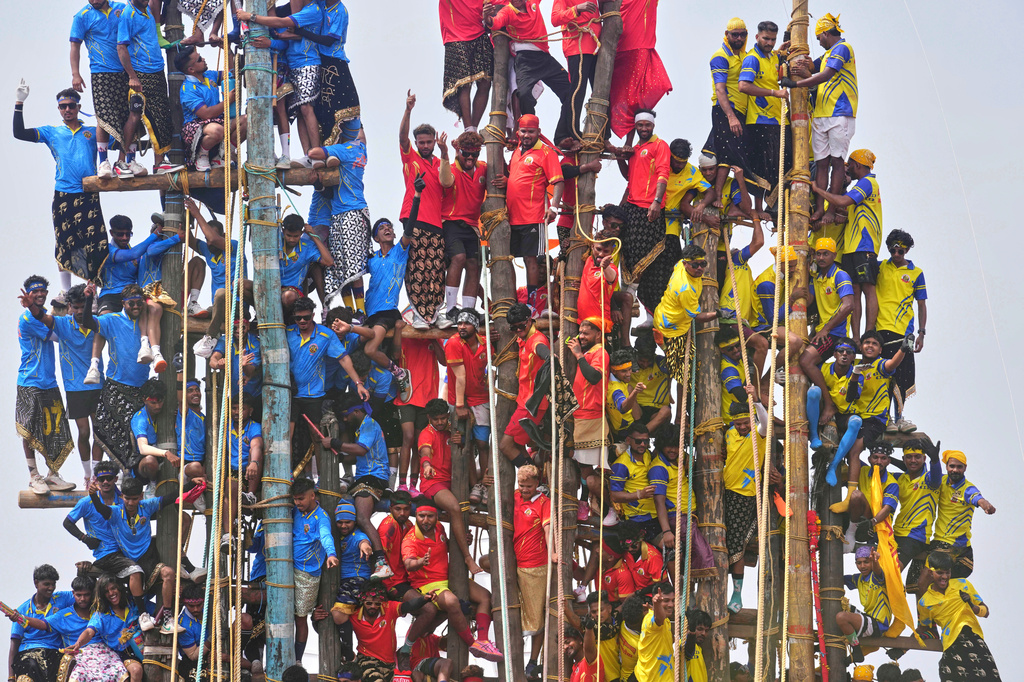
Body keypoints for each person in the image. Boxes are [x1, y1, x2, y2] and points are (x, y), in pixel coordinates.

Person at [13, 84, 108, 285]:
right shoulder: (52, 132)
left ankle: (93, 290)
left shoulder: (92, 132)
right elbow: (19, 133)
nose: (67, 110)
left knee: (93, 243)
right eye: (63, 106)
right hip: (64, 193)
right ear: (58, 109)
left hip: (88, 191)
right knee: (64, 242)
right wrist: (19, 103)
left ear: (78, 107)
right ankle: (66, 290)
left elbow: (123, 140)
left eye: (71, 106)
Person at [89, 475, 199, 634]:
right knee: (134, 572)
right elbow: (101, 509)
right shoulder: (114, 512)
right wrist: (93, 495)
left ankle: (168, 618)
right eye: (127, 499)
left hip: (149, 558)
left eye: (134, 499)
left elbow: (170, 497)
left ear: (141, 496)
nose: (131, 503)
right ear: (122, 497)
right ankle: (143, 615)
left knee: (168, 573)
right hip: (129, 561)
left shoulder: (147, 506)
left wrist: (190, 484)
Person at [401, 500, 503, 661]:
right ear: (416, 516)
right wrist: (420, 562)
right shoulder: (410, 539)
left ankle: (483, 639)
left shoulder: (439, 528)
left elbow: (446, 545)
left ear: (436, 517)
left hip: (448, 578)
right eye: (421, 516)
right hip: (427, 584)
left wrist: (464, 540)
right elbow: (408, 564)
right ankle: (473, 644)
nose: (425, 520)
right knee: (452, 602)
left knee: (485, 596)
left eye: (430, 516)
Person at [786, 13, 858, 225]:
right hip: (820, 114)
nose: (818, 42)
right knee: (821, 163)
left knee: (837, 162)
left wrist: (797, 84)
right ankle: (819, 208)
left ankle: (831, 208)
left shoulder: (843, 49)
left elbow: (824, 75)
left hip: (840, 113)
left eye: (819, 38)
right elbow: (811, 69)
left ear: (826, 33)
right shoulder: (827, 54)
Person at [827, 332, 911, 514]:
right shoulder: (854, 365)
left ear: (880, 349)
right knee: (840, 445)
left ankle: (850, 497)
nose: (870, 346)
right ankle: (840, 473)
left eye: (874, 343)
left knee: (855, 450)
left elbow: (892, 363)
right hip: (854, 415)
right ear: (861, 347)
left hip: (874, 419)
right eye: (867, 343)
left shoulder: (879, 364)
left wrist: (903, 349)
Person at [491, 115, 564, 310]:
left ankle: (533, 304)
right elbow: (518, 178)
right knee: (508, 257)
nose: (527, 135)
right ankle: (512, 300)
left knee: (532, 259)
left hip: (534, 216)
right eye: (523, 131)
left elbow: (558, 181)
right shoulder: (516, 153)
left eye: (531, 131)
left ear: (538, 132)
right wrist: (508, 182)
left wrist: (554, 207)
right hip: (511, 217)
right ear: (518, 132)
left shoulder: (546, 153)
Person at [236, 0, 324, 163]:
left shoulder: (301, 12)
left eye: (270, 7)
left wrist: (270, 41)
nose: (270, 11)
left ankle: (289, 153)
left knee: (288, 108)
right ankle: (272, 151)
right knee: (265, 109)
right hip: (261, 69)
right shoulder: (256, 20)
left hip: (283, 67)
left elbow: (283, 35)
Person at [811, 150, 882, 340]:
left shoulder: (868, 182)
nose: (848, 169)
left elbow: (843, 200)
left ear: (858, 165)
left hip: (864, 244)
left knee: (867, 289)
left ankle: (868, 333)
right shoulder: (861, 184)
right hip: (852, 247)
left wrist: (819, 190)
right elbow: (844, 209)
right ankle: (857, 337)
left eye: (850, 165)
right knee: (856, 292)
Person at [325, 396, 398, 580]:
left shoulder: (369, 425)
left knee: (362, 518)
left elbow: (361, 450)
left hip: (374, 477)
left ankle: (381, 563)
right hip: (365, 477)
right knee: (346, 514)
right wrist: (337, 456)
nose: (345, 419)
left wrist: (334, 443)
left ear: (357, 411)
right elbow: (355, 457)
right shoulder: (361, 427)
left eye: (347, 415)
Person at [16, 275, 76, 494]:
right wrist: (67, 320)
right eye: (35, 292)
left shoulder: (41, 315)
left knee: (55, 428)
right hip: (30, 380)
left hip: (49, 381)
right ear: (28, 294)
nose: (40, 294)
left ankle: (52, 475)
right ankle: (34, 476)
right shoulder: (28, 319)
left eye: (43, 291)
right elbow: (58, 336)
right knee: (29, 430)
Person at [485, 0, 574, 145]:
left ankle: (562, 136)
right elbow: (495, 22)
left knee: (571, 91)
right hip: (525, 59)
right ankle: (530, 134)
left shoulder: (533, 2)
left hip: (544, 57)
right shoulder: (507, 11)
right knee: (524, 95)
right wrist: (487, 18)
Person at [615, 109, 675, 314]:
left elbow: (662, 174)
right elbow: (628, 178)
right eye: (639, 125)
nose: (643, 129)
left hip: (649, 207)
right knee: (629, 252)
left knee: (645, 255)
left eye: (646, 125)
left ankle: (632, 293)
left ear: (653, 126)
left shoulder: (660, 145)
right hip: (632, 206)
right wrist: (619, 157)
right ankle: (628, 292)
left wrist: (657, 201)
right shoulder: (635, 149)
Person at [89, 284, 154, 470]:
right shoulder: (111, 319)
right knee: (104, 429)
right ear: (123, 303)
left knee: (134, 436)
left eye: (139, 302)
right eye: (131, 303)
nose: (135, 306)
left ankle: (129, 478)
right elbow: (89, 322)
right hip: (115, 385)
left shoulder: (148, 321)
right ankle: (101, 474)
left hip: (139, 390)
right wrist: (88, 300)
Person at [725, 387, 777, 613]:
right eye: (739, 424)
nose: (743, 427)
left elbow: (766, 423)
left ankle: (737, 594)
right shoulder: (728, 434)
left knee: (737, 544)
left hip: (745, 497)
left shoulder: (758, 433)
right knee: (720, 542)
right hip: (724, 493)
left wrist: (756, 401)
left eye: (746, 422)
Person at [307, 130, 371, 312]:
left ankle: (360, 311)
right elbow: (362, 135)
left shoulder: (345, 149)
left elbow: (312, 153)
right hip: (341, 213)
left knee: (352, 265)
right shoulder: (361, 148)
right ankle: (351, 310)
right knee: (340, 266)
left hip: (351, 211)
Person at [46, 284, 104, 485]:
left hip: (97, 384)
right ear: (69, 306)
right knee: (84, 432)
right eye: (76, 307)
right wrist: (33, 308)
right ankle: (87, 474)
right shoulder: (62, 324)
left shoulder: (97, 323)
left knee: (99, 432)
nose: (79, 312)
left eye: (83, 307)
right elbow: (42, 319)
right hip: (75, 387)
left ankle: (97, 475)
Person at [415, 398, 480, 574]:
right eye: (436, 419)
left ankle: (479, 488)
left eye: (443, 418)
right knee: (454, 507)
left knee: (483, 473)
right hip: (433, 483)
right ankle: (468, 558)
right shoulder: (426, 433)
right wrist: (427, 465)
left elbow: (466, 454)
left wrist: (460, 442)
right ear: (429, 418)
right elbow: (425, 453)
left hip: (454, 481)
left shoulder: (453, 430)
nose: (440, 422)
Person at [116, 0, 180, 176]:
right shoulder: (128, 14)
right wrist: (132, 76)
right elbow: (121, 47)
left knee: (161, 115)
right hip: (140, 73)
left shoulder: (149, 11)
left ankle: (159, 163)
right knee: (135, 114)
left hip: (156, 70)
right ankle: (121, 161)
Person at [398, 92, 446, 328]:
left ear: (435, 141)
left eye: (429, 142)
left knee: (435, 271)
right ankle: (416, 313)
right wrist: (408, 110)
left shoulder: (440, 164)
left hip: (437, 224)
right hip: (413, 219)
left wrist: (447, 152)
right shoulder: (411, 157)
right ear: (416, 143)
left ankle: (435, 315)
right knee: (416, 267)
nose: (425, 145)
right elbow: (402, 136)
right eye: (421, 142)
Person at [69, 0, 129, 181]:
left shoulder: (122, 9)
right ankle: (104, 162)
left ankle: (124, 160)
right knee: (103, 116)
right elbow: (75, 46)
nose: (94, 1)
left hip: (127, 70)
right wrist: (75, 74)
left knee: (129, 115)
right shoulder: (82, 16)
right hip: (101, 71)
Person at [916, 551, 1000, 681]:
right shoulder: (925, 602)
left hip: (973, 638)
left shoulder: (963, 584)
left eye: (947, 572)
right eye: (940, 573)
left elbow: (985, 612)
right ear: (930, 573)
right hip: (952, 643)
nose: (944, 576)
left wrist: (972, 606)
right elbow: (924, 627)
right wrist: (902, 649)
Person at [328, 581, 433, 682]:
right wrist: (315, 619)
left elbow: (408, 606)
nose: (373, 606)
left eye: (377, 603)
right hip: (367, 659)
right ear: (362, 601)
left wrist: (424, 599)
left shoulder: (389, 608)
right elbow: (332, 625)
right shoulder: (354, 615)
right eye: (369, 603)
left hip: (390, 663)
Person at [648, 423, 716, 577]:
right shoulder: (658, 468)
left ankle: (691, 584)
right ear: (660, 446)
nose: (673, 451)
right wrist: (666, 531)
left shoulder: (680, 459)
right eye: (668, 447)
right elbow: (659, 502)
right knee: (701, 549)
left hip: (690, 513)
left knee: (697, 548)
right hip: (675, 516)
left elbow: (689, 460)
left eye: (676, 447)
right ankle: (700, 579)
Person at [875, 229, 926, 432]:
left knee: (903, 375)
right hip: (880, 328)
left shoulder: (916, 273)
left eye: (901, 251)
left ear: (906, 251)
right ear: (889, 249)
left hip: (906, 331)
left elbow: (921, 305)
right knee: (883, 374)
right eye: (893, 250)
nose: (896, 255)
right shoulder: (879, 267)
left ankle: (900, 418)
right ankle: (885, 418)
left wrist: (922, 333)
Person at [737, 20, 788, 212]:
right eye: (766, 38)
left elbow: (776, 60)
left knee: (779, 164)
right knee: (762, 167)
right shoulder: (752, 58)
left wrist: (780, 51)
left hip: (776, 118)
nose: (769, 43)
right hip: (759, 119)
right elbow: (743, 86)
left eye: (773, 39)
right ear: (757, 37)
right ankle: (759, 208)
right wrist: (775, 93)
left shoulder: (772, 56)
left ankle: (773, 206)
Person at [653, 243, 721, 381]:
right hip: (673, 328)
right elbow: (698, 317)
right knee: (684, 375)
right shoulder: (686, 289)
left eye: (703, 264)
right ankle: (666, 352)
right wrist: (718, 314)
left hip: (664, 312)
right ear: (685, 264)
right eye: (695, 265)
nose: (700, 268)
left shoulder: (679, 265)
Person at [439, 131, 487, 320]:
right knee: (458, 258)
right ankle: (451, 308)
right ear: (458, 151)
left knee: (474, 264)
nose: (470, 158)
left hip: (473, 226)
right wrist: (445, 153)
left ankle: (468, 310)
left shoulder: (483, 168)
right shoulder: (451, 168)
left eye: (474, 154)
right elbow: (444, 181)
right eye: (465, 153)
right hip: (451, 222)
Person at [289, 477, 339, 662]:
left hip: (307, 574)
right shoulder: (295, 510)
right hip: (286, 567)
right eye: (295, 499)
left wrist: (331, 554)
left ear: (312, 496)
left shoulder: (321, 517)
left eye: (301, 499)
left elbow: (326, 536)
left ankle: (298, 660)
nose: (297, 502)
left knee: (300, 617)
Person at [175, 45, 247, 171]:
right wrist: (228, 101)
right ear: (191, 69)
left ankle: (224, 154)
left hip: (217, 121)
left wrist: (227, 49)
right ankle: (202, 155)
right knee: (216, 130)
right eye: (199, 60)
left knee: (247, 120)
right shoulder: (188, 90)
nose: (203, 59)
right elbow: (206, 114)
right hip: (198, 126)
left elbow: (231, 74)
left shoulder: (209, 75)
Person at [362, 216, 412, 394]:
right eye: (382, 228)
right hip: (370, 313)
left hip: (387, 311)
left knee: (370, 349)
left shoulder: (399, 251)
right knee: (385, 355)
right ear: (376, 238)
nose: (387, 228)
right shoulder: (371, 258)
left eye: (389, 226)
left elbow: (409, 229)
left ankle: (399, 374)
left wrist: (417, 197)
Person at [608, 0, 672, 138]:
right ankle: (604, 138)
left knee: (636, 97)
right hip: (618, 44)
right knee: (612, 96)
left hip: (641, 45)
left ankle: (628, 143)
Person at [445, 308, 490, 495]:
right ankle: (475, 485)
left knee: (482, 443)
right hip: (459, 400)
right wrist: (460, 405)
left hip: (481, 399)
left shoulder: (486, 343)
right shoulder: (454, 343)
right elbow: (460, 376)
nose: (462, 326)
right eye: (460, 323)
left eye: (467, 323)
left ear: (476, 326)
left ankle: (487, 483)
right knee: (466, 444)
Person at [499, 303, 551, 467]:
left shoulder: (536, 340)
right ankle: (534, 478)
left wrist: (549, 357)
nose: (518, 332)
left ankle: (530, 479)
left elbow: (542, 350)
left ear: (530, 321)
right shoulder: (524, 338)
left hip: (531, 405)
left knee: (506, 446)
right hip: (525, 402)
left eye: (521, 327)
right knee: (518, 446)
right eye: (513, 329)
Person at [704, 18, 750, 202]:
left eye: (742, 34)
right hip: (725, 110)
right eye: (735, 35)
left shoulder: (744, 55)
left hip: (741, 111)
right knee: (725, 153)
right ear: (727, 35)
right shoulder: (720, 56)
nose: (738, 38)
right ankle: (717, 194)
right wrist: (730, 116)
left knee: (735, 153)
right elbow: (720, 89)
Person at [63, 575, 141, 682]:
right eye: (106, 591)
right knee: (136, 670)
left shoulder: (133, 604)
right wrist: (78, 643)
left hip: (144, 645)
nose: (111, 593)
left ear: (119, 587)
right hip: (124, 653)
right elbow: (89, 632)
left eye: (113, 588)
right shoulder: (100, 615)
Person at [932, 450, 995, 579]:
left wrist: (986, 505)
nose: (955, 470)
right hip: (939, 541)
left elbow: (978, 498)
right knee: (920, 579)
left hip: (959, 548)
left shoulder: (967, 488)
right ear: (946, 467)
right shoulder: (941, 481)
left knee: (943, 582)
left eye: (959, 467)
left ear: (965, 468)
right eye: (952, 466)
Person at [6, 565, 75, 682]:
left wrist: (83, 573)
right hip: (28, 654)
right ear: (36, 583)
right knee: (31, 667)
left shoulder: (61, 599)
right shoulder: (22, 610)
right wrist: (11, 677)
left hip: (54, 652)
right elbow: (14, 645)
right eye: (47, 584)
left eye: (53, 584)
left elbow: (83, 593)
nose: (51, 588)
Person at [568, 318, 610, 510]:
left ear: (599, 335)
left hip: (591, 415)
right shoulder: (590, 352)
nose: (582, 336)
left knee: (587, 468)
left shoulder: (599, 352)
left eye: (586, 333)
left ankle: (589, 502)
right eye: (581, 332)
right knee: (583, 466)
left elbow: (594, 377)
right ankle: (587, 501)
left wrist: (578, 355)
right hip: (582, 414)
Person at [514, 465, 552, 665]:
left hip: (535, 566)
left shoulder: (544, 503)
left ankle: (532, 661)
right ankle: (515, 661)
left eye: (528, 486)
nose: (524, 489)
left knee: (538, 616)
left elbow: (547, 529)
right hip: (514, 563)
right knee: (514, 612)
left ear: (537, 484)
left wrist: (552, 552)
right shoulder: (513, 496)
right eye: (521, 485)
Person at [551, 0, 602, 143]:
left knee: (602, 92)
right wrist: (577, 9)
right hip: (577, 45)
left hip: (598, 46)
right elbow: (555, 19)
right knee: (577, 91)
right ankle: (569, 134)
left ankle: (604, 135)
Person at [438, 0, 492, 131]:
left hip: (479, 32)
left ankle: (473, 127)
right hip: (456, 36)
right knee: (464, 84)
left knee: (486, 82)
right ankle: (469, 129)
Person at [313, 0, 362, 146]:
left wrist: (302, 32)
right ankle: (323, 148)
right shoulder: (320, 4)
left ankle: (337, 147)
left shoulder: (340, 11)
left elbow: (328, 40)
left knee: (338, 104)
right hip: (320, 61)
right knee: (321, 107)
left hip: (334, 62)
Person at [64, 460, 125, 568]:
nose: (105, 482)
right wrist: (84, 538)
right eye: (101, 479)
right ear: (96, 480)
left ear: (115, 479)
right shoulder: (86, 502)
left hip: (125, 550)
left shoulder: (123, 501)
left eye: (109, 478)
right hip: (104, 554)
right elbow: (67, 522)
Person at [838, 546, 892, 655]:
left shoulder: (877, 577)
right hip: (867, 618)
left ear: (872, 561)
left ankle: (856, 650)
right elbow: (838, 578)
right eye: (859, 563)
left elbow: (878, 571)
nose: (862, 566)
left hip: (878, 624)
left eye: (866, 562)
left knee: (841, 617)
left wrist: (876, 562)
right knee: (838, 605)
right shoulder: (858, 579)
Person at [610, 423, 659, 535]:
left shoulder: (647, 454)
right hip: (638, 519)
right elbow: (615, 495)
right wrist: (639, 495)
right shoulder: (621, 465)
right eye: (638, 441)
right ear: (628, 440)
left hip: (657, 513)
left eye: (646, 441)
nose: (643, 444)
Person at [279, 216, 335, 311]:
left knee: (288, 296)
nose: (292, 240)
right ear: (283, 231)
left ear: (301, 233)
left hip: (292, 291)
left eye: (296, 236)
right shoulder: (273, 242)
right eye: (289, 235)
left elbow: (329, 261)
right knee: (245, 285)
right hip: (269, 288)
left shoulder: (307, 247)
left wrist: (313, 235)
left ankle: (325, 308)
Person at [664, 138, 713, 243]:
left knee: (671, 255)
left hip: (671, 224)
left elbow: (711, 192)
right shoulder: (658, 165)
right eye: (677, 162)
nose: (680, 166)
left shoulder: (692, 172)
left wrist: (702, 205)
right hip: (650, 218)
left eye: (683, 162)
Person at [578, 239, 617, 341]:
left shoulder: (611, 269)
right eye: (598, 249)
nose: (601, 254)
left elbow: (611, 277)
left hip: (599, 325)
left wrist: (606, 266)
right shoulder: (589, 260)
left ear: (612, 252)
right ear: (592, 247)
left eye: (606, 251)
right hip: (581, 324)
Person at [635, 583, 675, 682]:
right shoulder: (651, 621)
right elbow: (659, 619)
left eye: (673, 600)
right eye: (665, 601)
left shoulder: (666, 620)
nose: (671, 605)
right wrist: (657, 605)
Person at [606, 350, 645, 440]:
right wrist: (635, 392)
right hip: (625, 431)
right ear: (613, 371)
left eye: (630, 369)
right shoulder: (615, 389)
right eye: (624, 371)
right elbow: (623, 408)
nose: (628, 374)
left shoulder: (620, 380)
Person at [684, 609, 712, 682]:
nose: (703, 633)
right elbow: (688, 649)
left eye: (706, 631)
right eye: (700, 629)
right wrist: (692, 632)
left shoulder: (698, 648)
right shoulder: (683, 643)